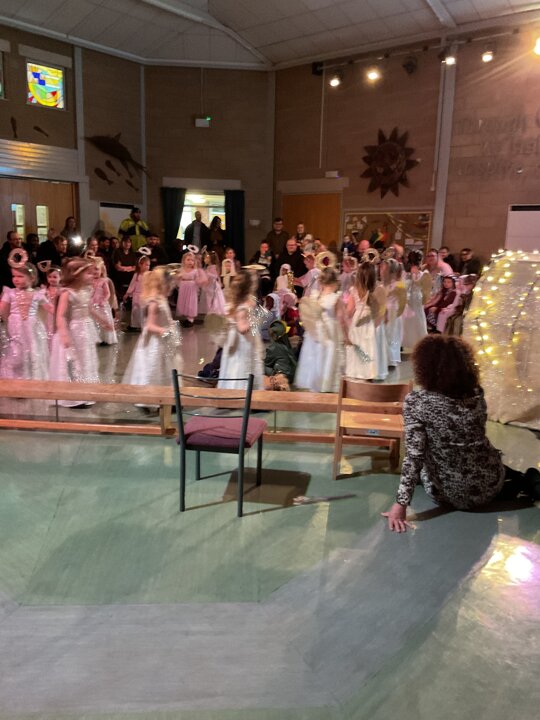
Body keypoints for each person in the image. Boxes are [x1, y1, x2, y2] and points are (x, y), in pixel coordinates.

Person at [382, 335, 540, 532]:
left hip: (444, 495)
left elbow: (414, 456)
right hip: (488, 489)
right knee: (496, 462)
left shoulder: (416, 401)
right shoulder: (476, 394)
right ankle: (528, 480)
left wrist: (400, 504)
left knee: (426, 465)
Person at [49, 257, 114, 406]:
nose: (93, 275)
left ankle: (86, 391)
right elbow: (60, 315)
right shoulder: (67, 293)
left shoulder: (86, 290)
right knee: (74, 361)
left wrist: (103, 320)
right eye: (88, 273)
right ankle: (72, 395)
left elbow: (88, 308)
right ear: (76, 275)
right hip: (73, 331)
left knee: (86, 359)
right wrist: (63, 334)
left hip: (85, 330)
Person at [123, 266, 182, 412]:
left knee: (166, 368)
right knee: (154, 368)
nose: (171, 288)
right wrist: (164, 330)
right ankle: (149, 398)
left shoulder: (161, 299)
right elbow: (149, 325)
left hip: (162, 340)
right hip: (154, 342)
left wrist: (171, 324)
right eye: (169, 284)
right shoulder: (154, 302)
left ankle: (168, 398)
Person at [0, 250, 51, 380]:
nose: (16, 279)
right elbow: (3, 309)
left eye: (20, 276)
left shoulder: (38, 293)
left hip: (32, 327)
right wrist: (6, 320)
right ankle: (16, 377)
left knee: (32, 349)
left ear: (32, 278)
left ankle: (32, 377)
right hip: (15, 326)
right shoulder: (10, 292)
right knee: (16, 351)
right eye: (14, 276)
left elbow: (50, 308)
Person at [295, 267, 344, 393]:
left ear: (321, 282)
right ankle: (325, 383)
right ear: (335, 282)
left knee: (315, 355)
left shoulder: (315, 296)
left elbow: (307, 313)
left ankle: (314, 381)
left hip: (315, 331)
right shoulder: (336, 298)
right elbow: (341, 319)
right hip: (330, 330)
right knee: (328, 355)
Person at [218, 269, 264, 390]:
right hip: (242, 341)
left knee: (232, 363)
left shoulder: (234, 301)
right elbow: (242, 328)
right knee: (240, 364)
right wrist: (256, 320)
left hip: (234, 339)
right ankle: (240, 390)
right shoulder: (243, 307)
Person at [344, 262, 379, 381]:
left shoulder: (354, 290)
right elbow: (378, 309)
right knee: (368, 346)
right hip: (368, 321)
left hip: (357, 320)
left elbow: (349, 311)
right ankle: (368, 373)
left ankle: (355, 371)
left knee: (356, 345)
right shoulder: (375, 291)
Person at [402, 251, 429, 350]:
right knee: (417, 318)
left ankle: (407, 340)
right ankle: (418, 341)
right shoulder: (422, 274)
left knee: (410, 318)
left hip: (412, 298)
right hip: (415, 297)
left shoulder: (407, 273)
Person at [91, 257, 118, 346]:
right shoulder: (90, 281)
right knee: (95, 322)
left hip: (102, 305)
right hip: (93, 304)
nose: (94, 271)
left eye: (97, 269)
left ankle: (106, 339)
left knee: (104, 320)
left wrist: (104, 300)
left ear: (101, 270)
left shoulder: (103, 281)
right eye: (92, 269)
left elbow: (108, 293)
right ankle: (97, 338)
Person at [175, 251, 204, 326]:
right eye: (188, 260)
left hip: (192, 288)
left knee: (191, 302)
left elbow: (198, 279)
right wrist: (178, 278)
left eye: (192, 260)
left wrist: (198, 282)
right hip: (183, 287)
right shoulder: (181, 270)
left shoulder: (195, 270)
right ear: (184, 261)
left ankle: (191, 319)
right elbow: (177, 279)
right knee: (184, 301)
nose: (190, 262)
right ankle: (187, 317)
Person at [124, 254, 150, 331]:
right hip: (136, 296)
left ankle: (144, 325)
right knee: (135, 311)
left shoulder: (149, 275)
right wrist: (127, 294)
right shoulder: (137, 275)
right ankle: (134, 325)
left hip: (145, 295)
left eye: (148, 265)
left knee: (143, 311)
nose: (148, 267)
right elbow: (132, 285)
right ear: (140, 265)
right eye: (146, 265)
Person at [112, 236, 138, 302]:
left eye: (129, 242)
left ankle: (132, 297)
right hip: (120, 274)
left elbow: (135, 267)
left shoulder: (132, 253)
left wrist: (126, 268)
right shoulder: (117, 252)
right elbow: (118, 267)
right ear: (122, 243)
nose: (127, 244)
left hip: (130, 274)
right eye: (125, 242)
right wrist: (129, 268)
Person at [201, 250, 225, 315]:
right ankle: (210, 311)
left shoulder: (214, 267)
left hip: (213, 285)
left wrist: (207, 273)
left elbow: (215, 276)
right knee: (208, 299)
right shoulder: (208, 267)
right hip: (209, 285)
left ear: (210, 259)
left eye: (206, 258)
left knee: (214, 299)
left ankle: (214, 311)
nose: (204, 259)